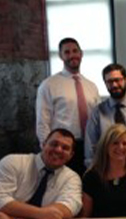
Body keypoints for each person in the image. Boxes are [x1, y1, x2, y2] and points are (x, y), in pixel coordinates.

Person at [36, 38, 100, 175]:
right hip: (62, 148)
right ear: (61, 56)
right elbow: (43, 120)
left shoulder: (91, 86)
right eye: (67, 52)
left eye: (75, 51)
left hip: (89, 148)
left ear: (81, 54)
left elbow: (98, 120)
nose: (72, 55)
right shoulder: (49, 85)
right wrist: (47, 150)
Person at [81, 124, 126, 218]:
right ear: (106, 146)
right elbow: (85, 216)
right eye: (115, 143)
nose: (121, 147)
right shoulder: (91, 177)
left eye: (125, 143)